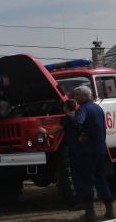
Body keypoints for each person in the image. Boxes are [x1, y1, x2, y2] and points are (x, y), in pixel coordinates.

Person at [73, 85, 114, 221]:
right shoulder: (98, 108)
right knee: (100, 179)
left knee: (87, 181)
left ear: (85, 96)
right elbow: (100, 126)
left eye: (77, 95)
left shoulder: (82, 109)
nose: (75, 97)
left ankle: (90, 213)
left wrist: (82, 134)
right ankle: (110, 211)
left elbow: (78, 123)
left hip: (87, 151)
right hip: (101, 149)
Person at [39, 99, 82, 208]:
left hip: (72, 148)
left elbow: (58, 129)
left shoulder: (67, 118)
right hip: (80, 147)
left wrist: (45, 132)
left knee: (75, 174)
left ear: (66, 108)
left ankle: (79, 201)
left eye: (64, 107)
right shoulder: (78, 115)